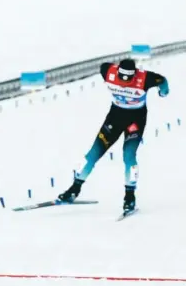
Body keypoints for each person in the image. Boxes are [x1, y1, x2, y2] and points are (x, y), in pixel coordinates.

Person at [57, 58, 169, 212]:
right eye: (121, 78)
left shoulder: (145, 78)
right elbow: (103, 66)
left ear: (134, 74)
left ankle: (130, 196)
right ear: (117, 71)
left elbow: (162, 80)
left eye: (129, 79)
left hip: (135, 120)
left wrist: (164, 92)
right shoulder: (107, 71)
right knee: (92, 154)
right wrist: (163, 92)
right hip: (115, 118)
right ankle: (74, 189)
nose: (124, 82)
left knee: (129, 156)